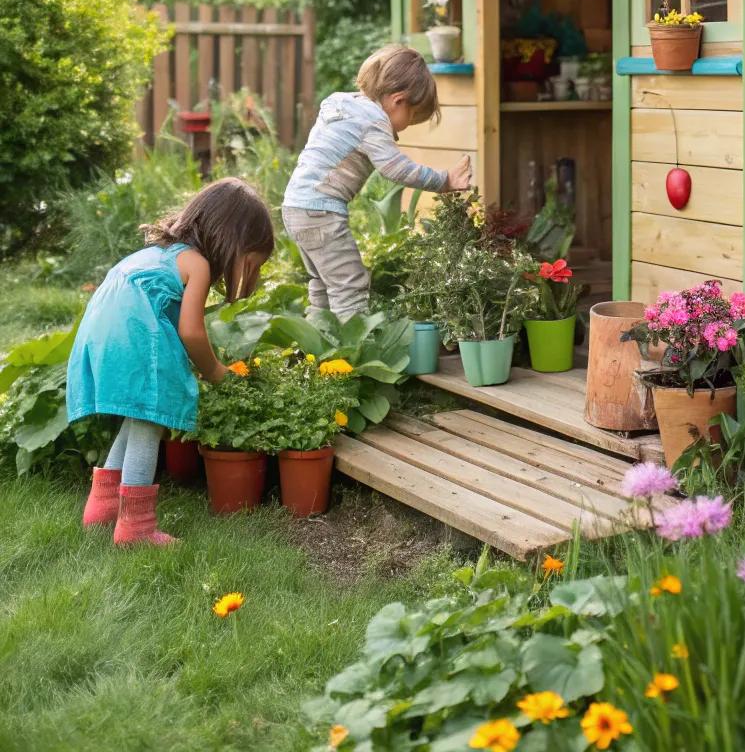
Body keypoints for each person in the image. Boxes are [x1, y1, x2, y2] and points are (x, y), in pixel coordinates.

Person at [68, 176, 274, 546]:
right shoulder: (197, 264)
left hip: (99, 335)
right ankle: (136, 528)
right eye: (249, 263)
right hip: (135, 337)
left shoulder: (156, 254)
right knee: (150, 424)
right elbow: (192, 332)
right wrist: (215, 371)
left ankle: (101, 509)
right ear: (232, 240)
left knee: (136, 418)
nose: (246, 274)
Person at [282, 43, 471, 321]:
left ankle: (318, 347)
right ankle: (353, 352)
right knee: (350, 286)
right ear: (398, 100)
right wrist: (445, 180)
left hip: (295, 207)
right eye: (411, 118)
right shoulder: (372, 120)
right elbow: (395, 168)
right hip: (321, 212)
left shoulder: (341, 104)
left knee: (323, 284)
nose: (404, 128)